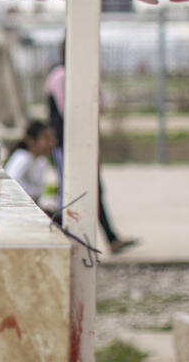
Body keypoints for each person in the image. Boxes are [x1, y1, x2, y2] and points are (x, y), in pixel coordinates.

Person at [45, 61, 138, 253]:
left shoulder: (79, 77)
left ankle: (110, 238)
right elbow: (73, 111)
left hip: (84, 145)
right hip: (67, 145)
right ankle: (59, 238)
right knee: (70, 192)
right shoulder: (61, 77)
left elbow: (100, 106)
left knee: (94, 189)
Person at [4, 119, 60, 217]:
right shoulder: (22, 157)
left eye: (52, 138)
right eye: (46, 138)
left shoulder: (42, 161)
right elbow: (10, 184)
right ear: (31, 141)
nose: (52, 143)